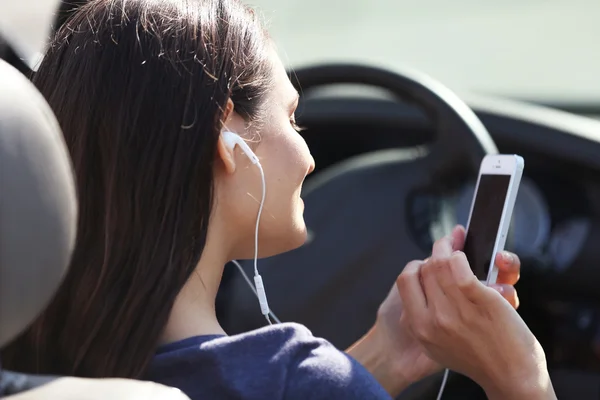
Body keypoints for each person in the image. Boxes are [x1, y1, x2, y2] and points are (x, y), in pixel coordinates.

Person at [1, 0, 555, 399]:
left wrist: (385, 355)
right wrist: (521, 379)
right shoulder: (296, 379)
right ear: (226, 137)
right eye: (291, 117)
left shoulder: (33, 366)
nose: (310, 157)